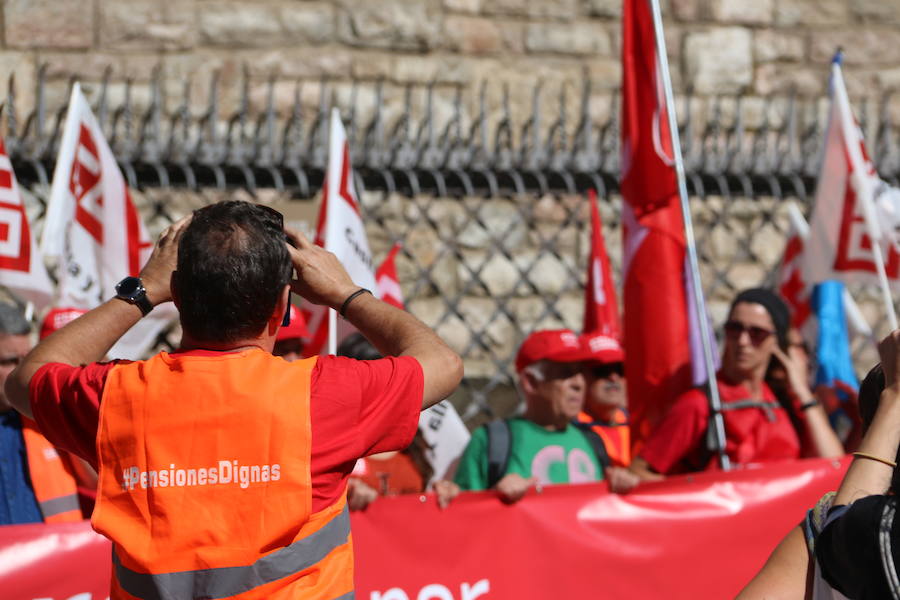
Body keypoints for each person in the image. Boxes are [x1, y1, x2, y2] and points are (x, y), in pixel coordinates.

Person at [5, 201, 463, 599]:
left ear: (178, 296)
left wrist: (141, 292)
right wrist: (344, 293)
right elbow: (442, 364)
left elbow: (28, 378)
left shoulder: (117, 397)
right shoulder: (323, 394)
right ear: (283, 305)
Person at [630, 288, 843, 480]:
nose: (742, 341)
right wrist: (698, 494)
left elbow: (834, 466)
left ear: (775, 341)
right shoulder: (701, 403)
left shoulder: (785, 401)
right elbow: (640, 471)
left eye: (756, 333)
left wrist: (802, 391)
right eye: (734, 329)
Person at [453, 329, 639, 503]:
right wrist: (495, 497)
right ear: (531, 382)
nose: (579, 383)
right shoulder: (491, 441)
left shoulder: (593, 440)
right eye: (566, 373)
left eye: (581, 372)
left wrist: (621, 486)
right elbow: (464, 516)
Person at [0, 303, 82, 525]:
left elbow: (97, 482)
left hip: (51, 555)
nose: (20, 372)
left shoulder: (46, 415)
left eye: (25, 360)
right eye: (8, 362)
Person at [576, 332, 631, 468]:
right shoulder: (569, 429)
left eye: (619, 369)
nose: (613, 378)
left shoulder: (637, 424)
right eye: (602, 370)